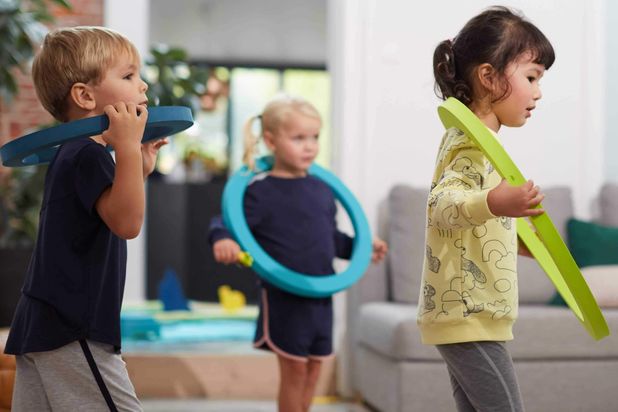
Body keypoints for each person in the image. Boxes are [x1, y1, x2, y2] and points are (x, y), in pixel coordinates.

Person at [4, 26, 168, 411]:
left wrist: (138, 168)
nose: (143, 84)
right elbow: (126, 224)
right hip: (72, 325)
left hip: (44, 321)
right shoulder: (86, 154)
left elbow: (109, 209)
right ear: (85, 96)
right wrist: (127, 149)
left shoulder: (75, 154)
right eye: (128, 75)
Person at [209, 95, 388, 412]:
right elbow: (226, 222)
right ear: (271, 141)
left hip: (320, 294)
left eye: (314, 137)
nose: (310, 146)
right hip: (285, 296)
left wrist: (360, 248)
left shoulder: (322, 189)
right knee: (294, 370)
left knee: (314, 369)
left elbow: (329, 238)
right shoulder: (259, 191)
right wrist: (223, 239)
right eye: (298, 138)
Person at [417, 6, 555, 412]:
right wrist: (497, 201)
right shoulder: (469, 144)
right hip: (468, 313)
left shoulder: (481, 145)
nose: (538, 92)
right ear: (489, 77)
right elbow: (442, 206)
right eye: (531, 77)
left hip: (471, 313)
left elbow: (472, 228)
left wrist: (517, 241)